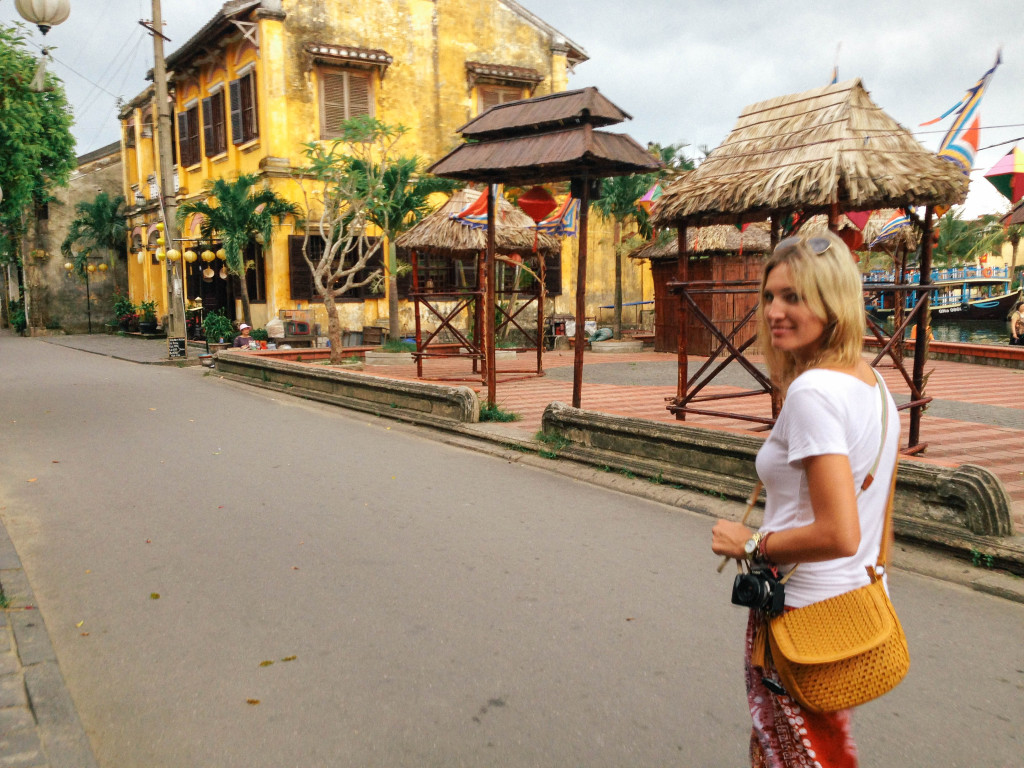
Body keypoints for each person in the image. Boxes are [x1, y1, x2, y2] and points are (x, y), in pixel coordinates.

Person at [711, 232, 900, 768]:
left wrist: (748, 541)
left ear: (833, 302)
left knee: (799, 756)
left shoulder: (814, 392)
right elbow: (879, 509)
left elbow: (841, 531)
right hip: (853, 604)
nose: (775, 311)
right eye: (770, 296)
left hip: (802, 613)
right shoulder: (870, 383)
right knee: (818, 749)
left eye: (794, 297)